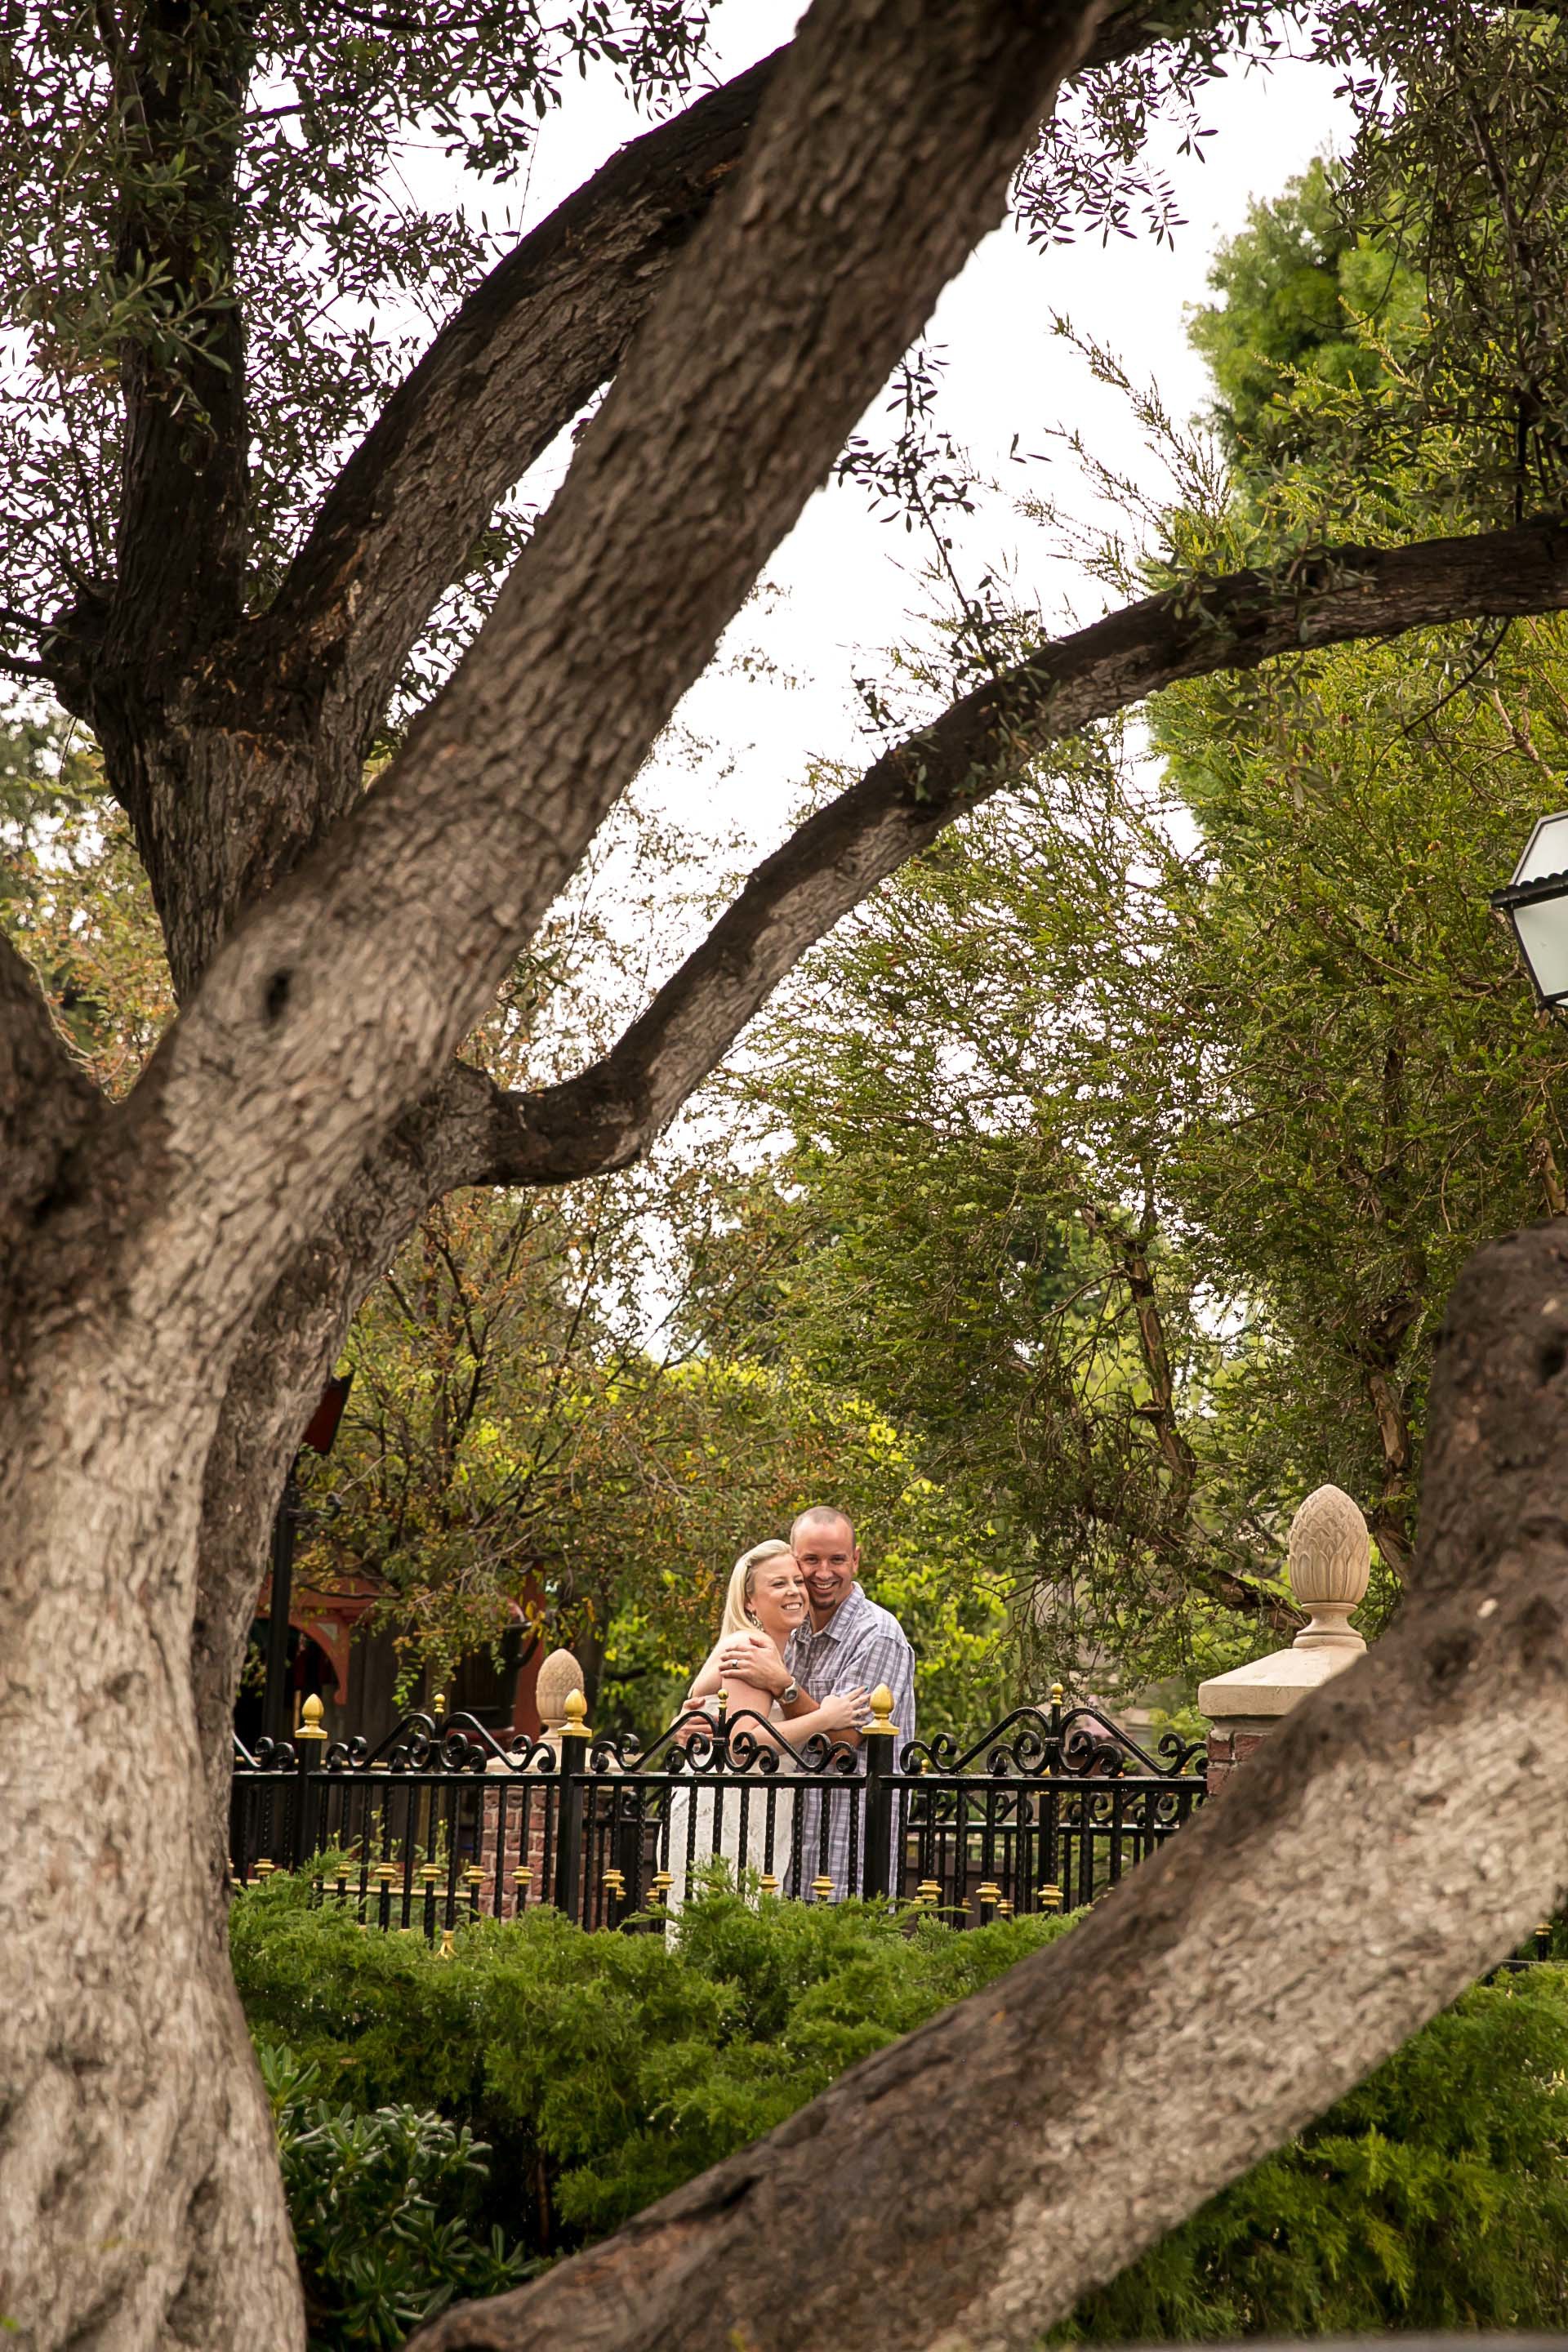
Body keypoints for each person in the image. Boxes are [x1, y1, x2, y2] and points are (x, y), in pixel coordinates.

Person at [715, 1506, 915, 1900]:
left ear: (855, 1560)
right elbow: (739, 1711)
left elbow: (843, 1742)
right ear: (794, 1558)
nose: (823, 1573)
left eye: (837, 1559)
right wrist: (707, 1722)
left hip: (845, 1848)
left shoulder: (876, 1635)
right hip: (781, 1845)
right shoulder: (790, 1624)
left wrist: (784, 1686)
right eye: (811, 1560)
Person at [665, 1539, 866, 1913]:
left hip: (750, 1805)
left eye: (796, 1581)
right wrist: (825, 1717)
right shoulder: (751, 1645)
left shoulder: (766, 1648)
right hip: (730, 1810)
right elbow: (743, 1745)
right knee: (729, 1926)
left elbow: (708, 1713)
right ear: (749, 1601)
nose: (794, 1591)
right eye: (778, 1584)